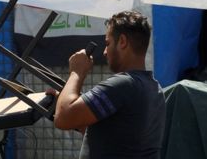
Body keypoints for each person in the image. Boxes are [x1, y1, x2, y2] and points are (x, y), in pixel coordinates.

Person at [52, 10, 166, 158]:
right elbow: (110, 135)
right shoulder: (154, 88)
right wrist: (63, 103)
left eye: (108, 43)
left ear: (122, 42)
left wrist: (77, 72)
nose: (105, 52)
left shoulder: (123, 84)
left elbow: (63, 119)